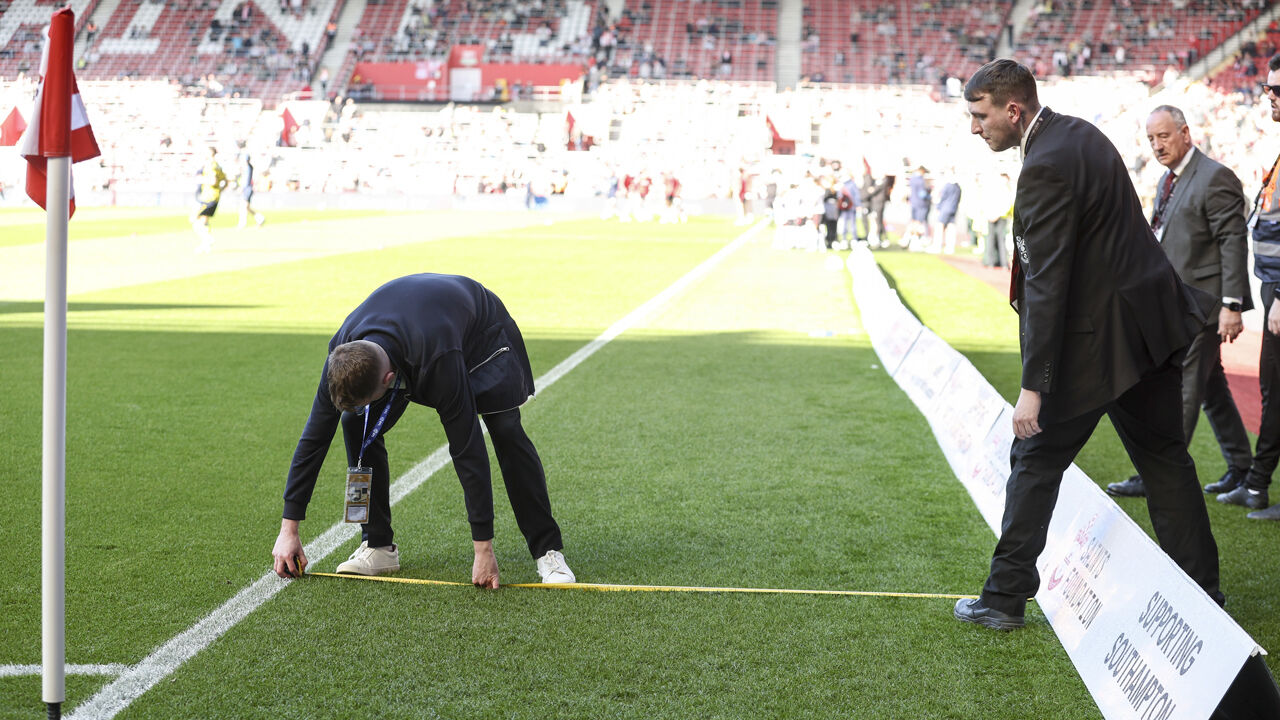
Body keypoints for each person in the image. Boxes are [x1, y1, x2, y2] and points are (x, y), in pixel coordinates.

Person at [953, 59, 1223, 631]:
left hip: (1102, 342)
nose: (975, 128)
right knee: (1165, 461)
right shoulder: (1080, 132)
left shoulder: (1046, 164)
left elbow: (1048, 285)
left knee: (1034, 457)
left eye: (980, 116)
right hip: (1147, 330)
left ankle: (1003, 598)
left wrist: (1033, 387)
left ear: (1013, 109)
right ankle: (1202, 597)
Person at [269, 273, 576, 587]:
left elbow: (467, 448)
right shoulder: (342, 353)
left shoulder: (439, 361)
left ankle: (547, 550)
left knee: (505, 429)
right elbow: (314, 438)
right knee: (356, 423)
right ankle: (378, 546)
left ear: (389, 381)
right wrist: (288, 530)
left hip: (481, 338)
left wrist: (483, 549)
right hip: (417, 332)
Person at [1105, 106, 1253, 501]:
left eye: (1164, 136)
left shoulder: (1215, 177)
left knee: (1184, 390)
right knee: (1213, 390)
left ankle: (1155, 473)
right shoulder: (1169, 179)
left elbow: (1233, 242)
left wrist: (1232, 305)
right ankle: (1242, 468)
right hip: (1179, 302)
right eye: (1151, 139)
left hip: (1203, 305)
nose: (1157, 145)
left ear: (1186, 133)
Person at [1220, 57, 1280, 520]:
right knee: (1271, 389)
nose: (1270, 95)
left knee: (1275, 391)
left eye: (1277, 89)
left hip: (1279, 293)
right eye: (1267, 87)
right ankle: (1257, 484)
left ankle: (1258, 484)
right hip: (1271, 288)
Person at [190, 146, 227, 253]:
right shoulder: (218, 166)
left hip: (208, 197)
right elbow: (225, 181)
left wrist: (201, 179)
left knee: (193, 219)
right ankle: (205, 245)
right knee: (203, 221)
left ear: (210, 153)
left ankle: (208, 238)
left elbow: (213, 181)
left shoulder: (211, 165)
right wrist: (220, 190)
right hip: (213, 196)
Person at [236, 150, 266, 229]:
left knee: (243, 206)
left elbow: (246, 180)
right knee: (246, 207)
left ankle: (242, 224)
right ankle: (260, 218)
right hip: (248, 188)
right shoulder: (248, 167)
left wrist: (241, 188)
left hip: (247, 189)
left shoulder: (248, 168)